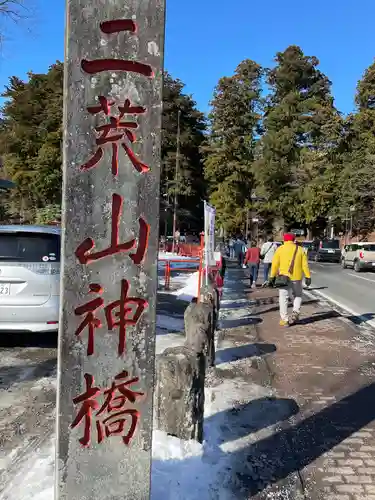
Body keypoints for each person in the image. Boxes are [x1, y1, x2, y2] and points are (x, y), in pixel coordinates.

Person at [268, 233, 311, 327]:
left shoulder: (280, 249)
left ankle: (285, 320)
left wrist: (272, 277)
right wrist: (308, 276)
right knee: (298, 295)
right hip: (297, 277)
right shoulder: (300, 249)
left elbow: (275, 264)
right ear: (293, 239)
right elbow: (305, 265)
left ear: (284, 240)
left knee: (283, 298)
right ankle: (296, 311)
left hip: (283, 278)